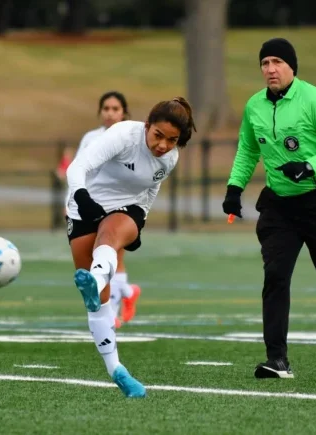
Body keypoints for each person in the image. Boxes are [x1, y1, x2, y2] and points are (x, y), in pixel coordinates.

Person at [222, 37, 316, 379]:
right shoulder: (255, 106)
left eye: (277, 62)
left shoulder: (314, 99)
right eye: (265, 63)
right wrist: (234, 189)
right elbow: (248, 150)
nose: (270, 69)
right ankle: (277, 360)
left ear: (291, 67)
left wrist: (309, 165)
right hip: (280, 207)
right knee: (276, 275)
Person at [66, 97, 196, 397]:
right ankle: (116, 370)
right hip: (84, 205)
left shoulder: (170, 157)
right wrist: (83, 198)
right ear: (147, 125)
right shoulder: (123, 135)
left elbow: (151, 189)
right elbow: (78, 167)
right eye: (158, 136)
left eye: (172, 140)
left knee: (109, 238)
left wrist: (142, 220)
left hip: (128, 207)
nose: (163, 145)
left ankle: (94, 280)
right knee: (98, 301)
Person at [70, 91, 142, 328]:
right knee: (98, 256)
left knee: (111, 253)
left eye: (115, 109)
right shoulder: (91, 138)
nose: (110, 113)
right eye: (106, 109)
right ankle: (127, 294)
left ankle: (112, 312)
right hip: (90, 203)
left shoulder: (131, 138)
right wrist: (71, 201)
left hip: (119, 206)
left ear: (124, 113)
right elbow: (79, 168)